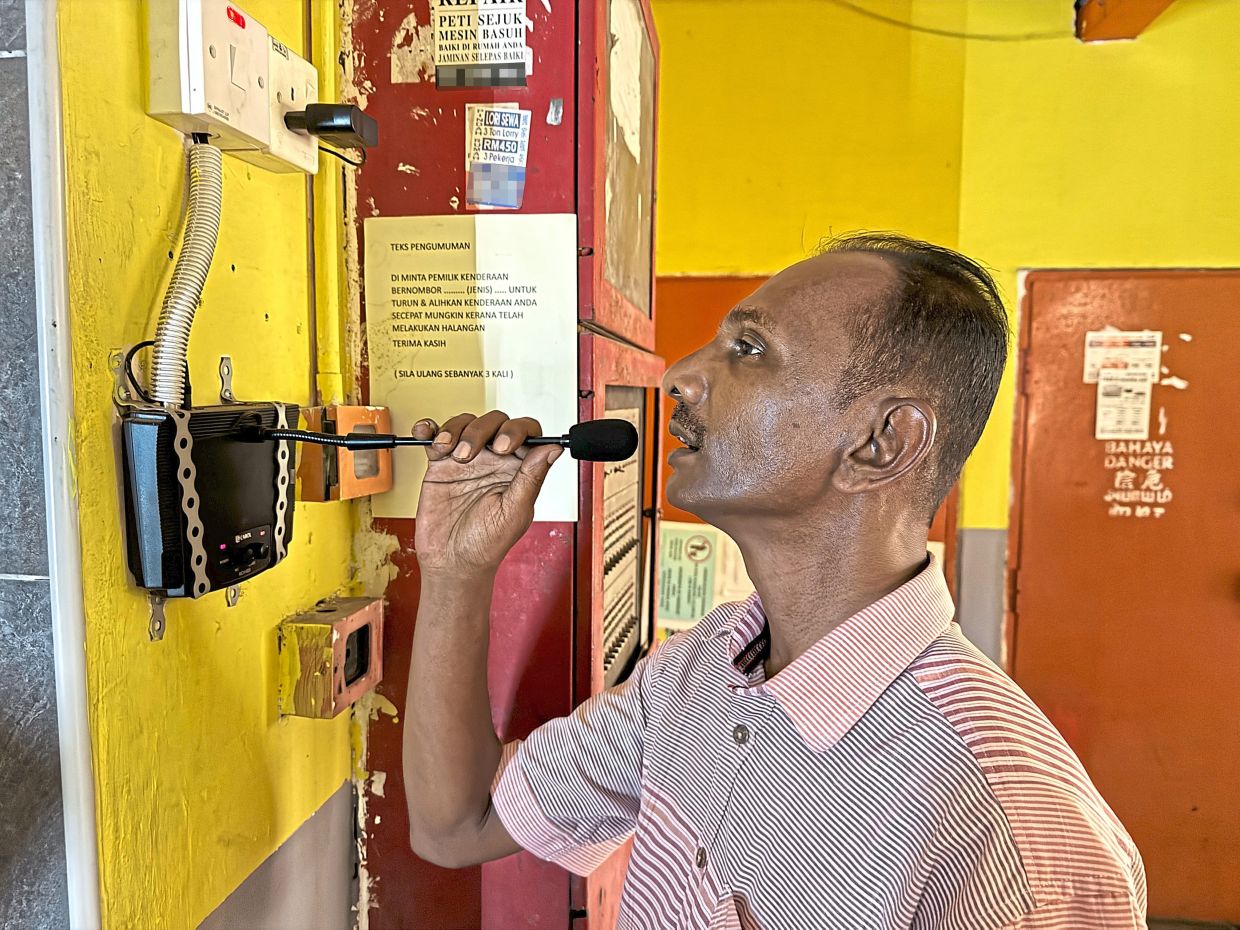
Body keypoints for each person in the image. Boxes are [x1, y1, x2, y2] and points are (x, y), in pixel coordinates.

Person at [402, 233, 1147, 929]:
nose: (682, 377)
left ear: (882, 441)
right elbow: (456, 824)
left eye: (749, 349)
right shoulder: (699, 671)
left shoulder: (1011, 828)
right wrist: (458, 569)